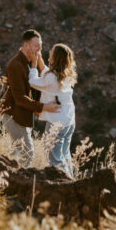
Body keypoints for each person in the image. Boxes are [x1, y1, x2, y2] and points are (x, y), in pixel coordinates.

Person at [1, 29, 59, 165]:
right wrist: (43, 107)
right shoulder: (15, 65)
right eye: (36, 45)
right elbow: (20, 98)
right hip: (14, 116)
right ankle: (16, 183)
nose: (39, 49)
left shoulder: (31, 62)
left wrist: (37, 63)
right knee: (27, 154)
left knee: (16, 156)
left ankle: (5, 178)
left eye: (41, 45)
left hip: (23, 117)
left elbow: (42, 82)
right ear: (26, 46)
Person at [27, 43, 77, 178]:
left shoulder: (51, 78)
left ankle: (62, 184)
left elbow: (33, 82)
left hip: (56, 123)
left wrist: (33, 64)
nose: (49, 51)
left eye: (52, 51)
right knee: (65, 154)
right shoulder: (64, 74)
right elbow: (45, 72)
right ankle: (71, 180)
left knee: (54, 159)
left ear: (56, 57)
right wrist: (38, 58)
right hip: (69, 121)